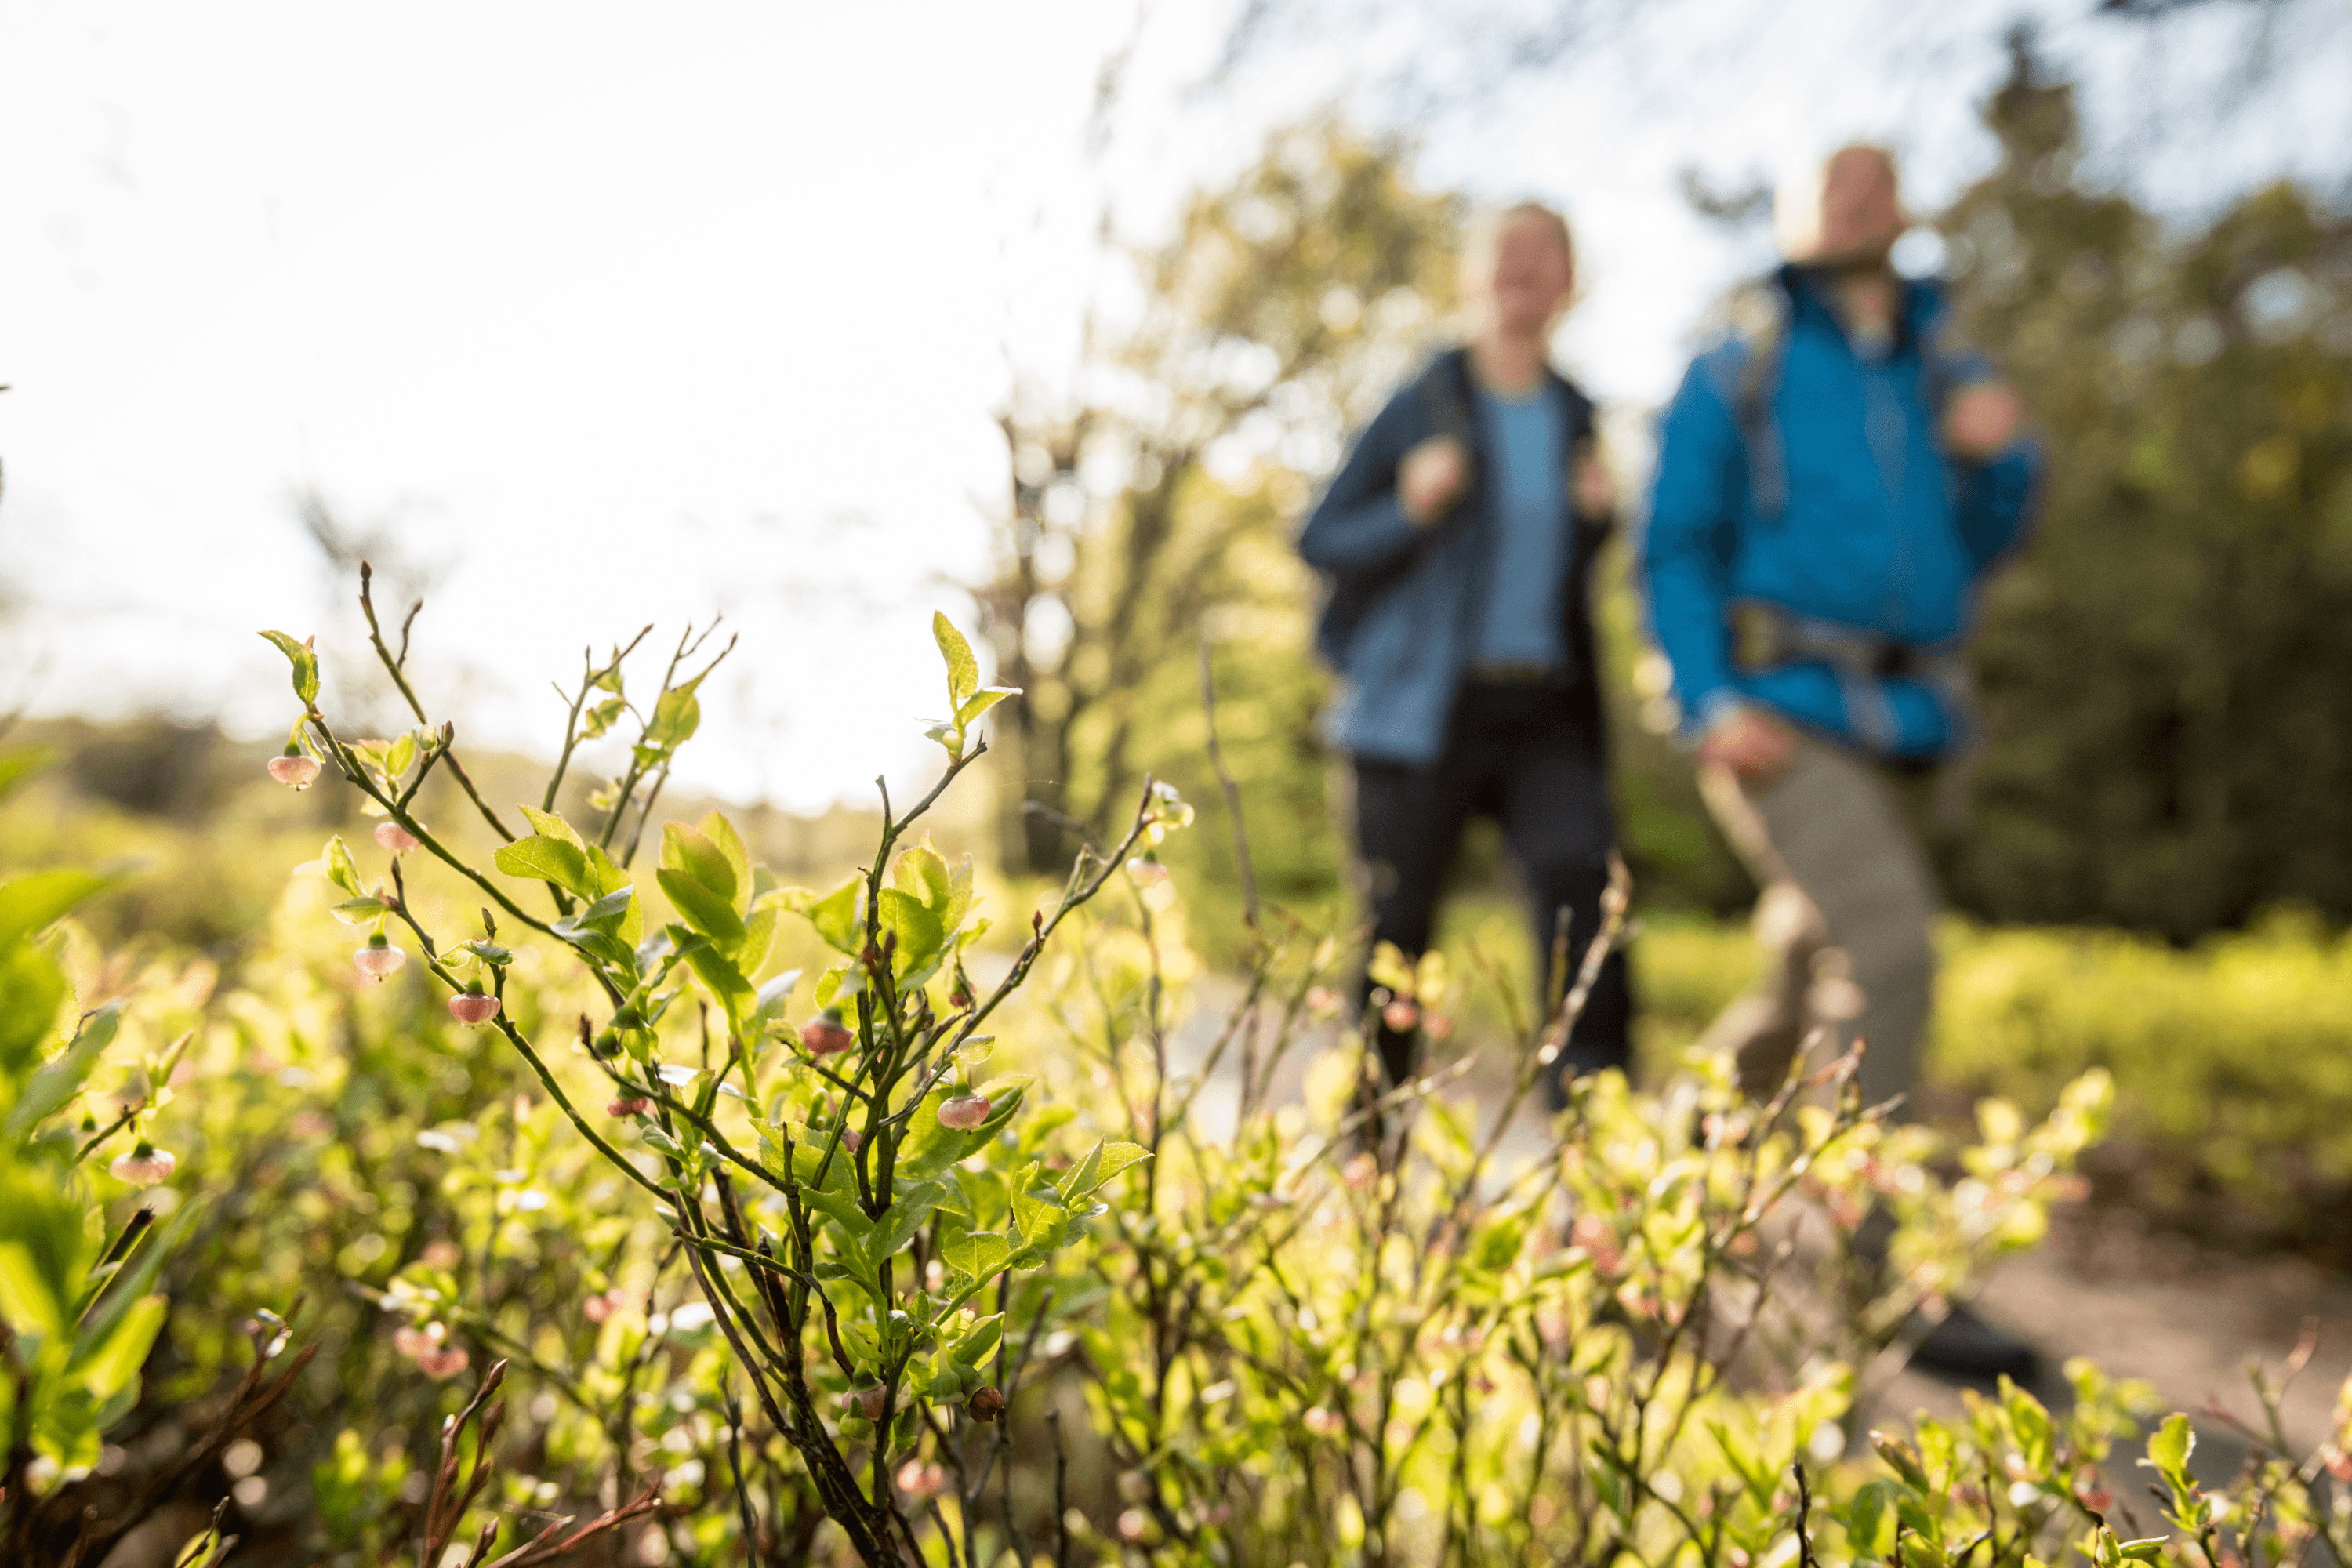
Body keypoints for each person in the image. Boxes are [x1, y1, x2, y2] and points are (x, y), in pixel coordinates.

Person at [1637, 145, 2042, 1379]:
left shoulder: (1939, 370)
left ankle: (1641, 1194)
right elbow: (1675, 548)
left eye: (1879, 180)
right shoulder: (1740, 366)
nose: (1859, 197)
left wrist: (2005, 458)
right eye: (1835, 182)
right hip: (1775, 712)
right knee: (1892, 950)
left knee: (1799, 979)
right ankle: (1883, 1278)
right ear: (1797, 215)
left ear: (1905, 208)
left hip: (1906, 725)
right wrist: (1706, 696)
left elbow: (1978, 550)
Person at [1298, 201, 1632, 1115]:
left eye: (1546, 250)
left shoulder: (1577, 413)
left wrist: (1599, 522)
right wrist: (1409, 505)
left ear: (1569, 280)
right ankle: (1369, 1152)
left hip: (1545, 709)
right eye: (1506, 248)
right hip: (1419, 711)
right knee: (1397, 935)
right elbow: (1321, 535)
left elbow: (1552, 572)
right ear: (1472, 273)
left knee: (1587, 897)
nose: (1525, 264)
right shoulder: (1425, 400)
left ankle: (1593, 1141)